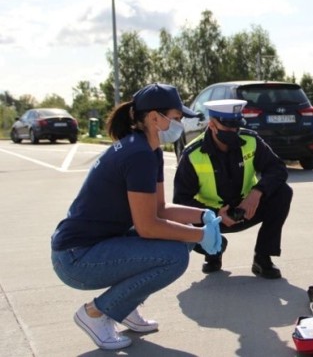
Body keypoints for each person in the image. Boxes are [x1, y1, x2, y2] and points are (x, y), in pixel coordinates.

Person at [50, 83, 224, 350]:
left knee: (182, 237)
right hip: (76, 258)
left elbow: (160, 208)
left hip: (95, 246)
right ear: (155, 118)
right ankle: (95, 313)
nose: (179, 125)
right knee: (175, 256)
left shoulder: (148, 149)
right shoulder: (139, 154)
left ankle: (124, 305)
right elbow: (147, 226)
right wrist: (201, 235)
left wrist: (202, 215)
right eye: (176, 118)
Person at [173, 99, 292, 279]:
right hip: (211, 218)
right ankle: (213, 251)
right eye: (228, 128)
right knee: (181, 220)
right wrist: (212, 213)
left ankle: (263, 258)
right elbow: (180, 201)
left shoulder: (250, 140)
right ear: (212, 125)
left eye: (236, 127)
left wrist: (256, 193)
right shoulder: (193, 154)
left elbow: (278, 169)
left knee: (283, 192)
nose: (234, 132)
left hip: (247, 209)